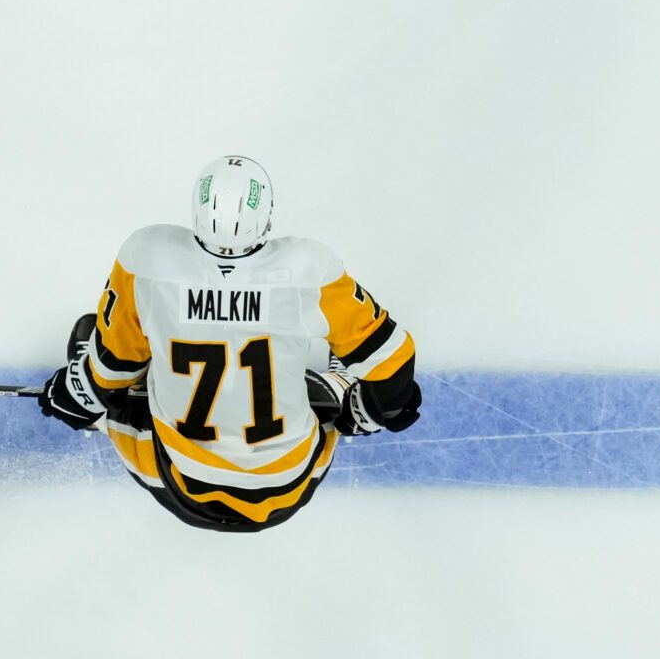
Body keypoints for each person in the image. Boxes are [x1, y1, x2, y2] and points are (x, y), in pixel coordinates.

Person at [36, 155, 421, 531]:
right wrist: (370, 411)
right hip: (290, 482)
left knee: (116, 393)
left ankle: (102, 418)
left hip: (181, 484)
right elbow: (394, 365)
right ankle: (340, 385)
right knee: (315, 391)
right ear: (266, 215)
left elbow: (113, 368)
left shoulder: (147, 258)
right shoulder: (308, 269)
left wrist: (78, 393)